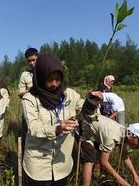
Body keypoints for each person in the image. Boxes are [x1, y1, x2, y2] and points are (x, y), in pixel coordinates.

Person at [22, 54, 84, 185]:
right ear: (40, 77)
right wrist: (56, 129)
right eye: (49, 79)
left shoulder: (69, 95)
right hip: (37, 162)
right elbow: (33, 127)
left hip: (62, 161)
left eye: (57, 79)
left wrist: (92, 101)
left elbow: (84, 108)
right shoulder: (30, 98)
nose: (54, 84)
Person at [79, 91, 139, 186]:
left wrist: (135, 176)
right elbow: (104, 162)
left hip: (98, 130)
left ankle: (95, 178)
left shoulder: (124, 133)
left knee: (96, 154)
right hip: (85, 127)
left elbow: (124, 157)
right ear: (131, 134)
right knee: (90, 159)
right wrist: (123, 182)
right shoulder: (112, 136)